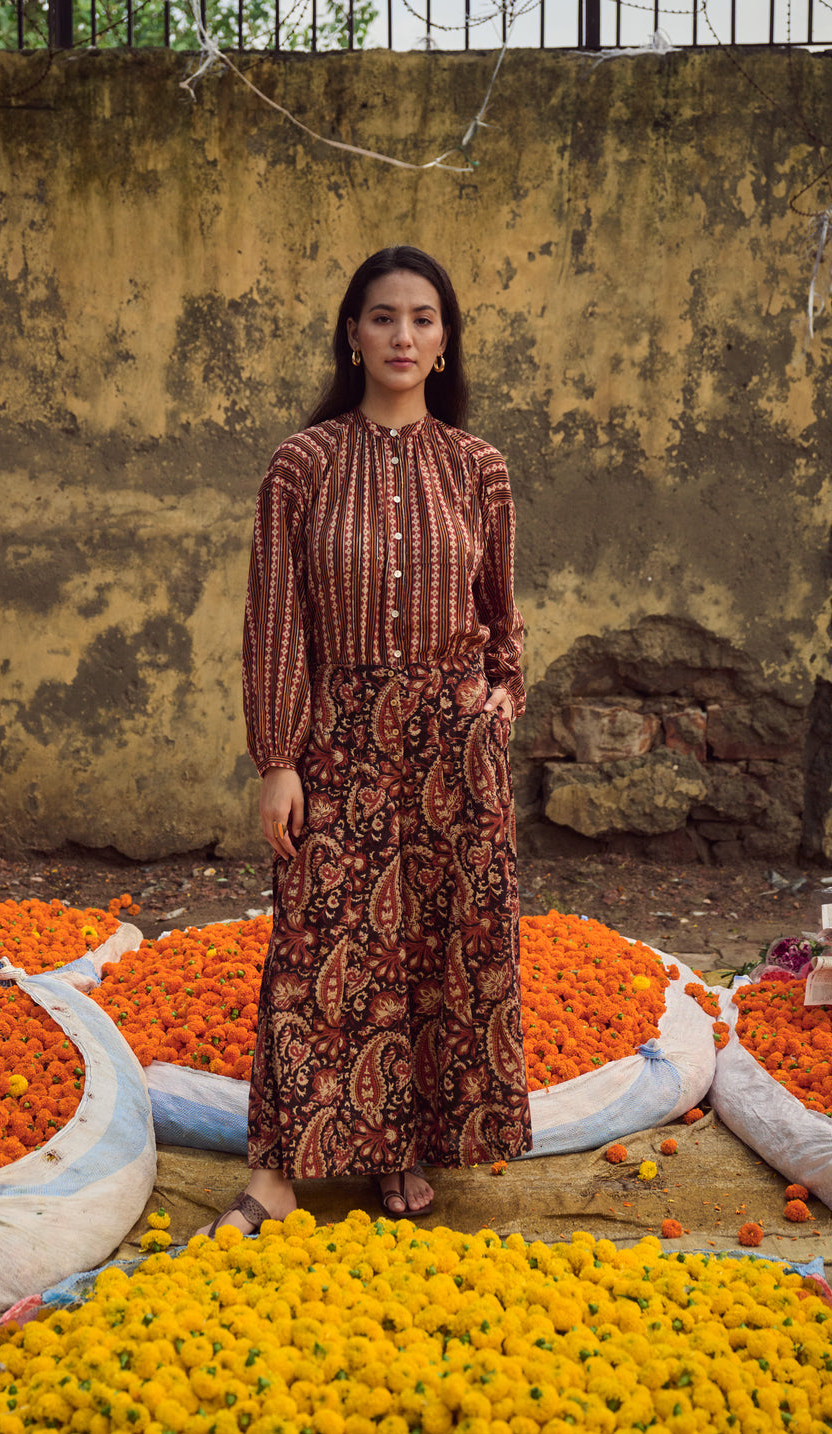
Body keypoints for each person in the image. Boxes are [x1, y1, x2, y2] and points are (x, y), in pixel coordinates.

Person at [200, 244, 530, 1236]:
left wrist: (501, 698)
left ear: (444, 343)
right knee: (317, 939)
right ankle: (279, 1168)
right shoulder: (301, 464)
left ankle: (402, 1149)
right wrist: (277, 760)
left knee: (440, 943)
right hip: (336, 735)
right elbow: (275, 623)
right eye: (383, 317)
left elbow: (501, 612)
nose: (402, 335)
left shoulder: (478, 468)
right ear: (352, 335)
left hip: (451, 743)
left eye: (422, 319)